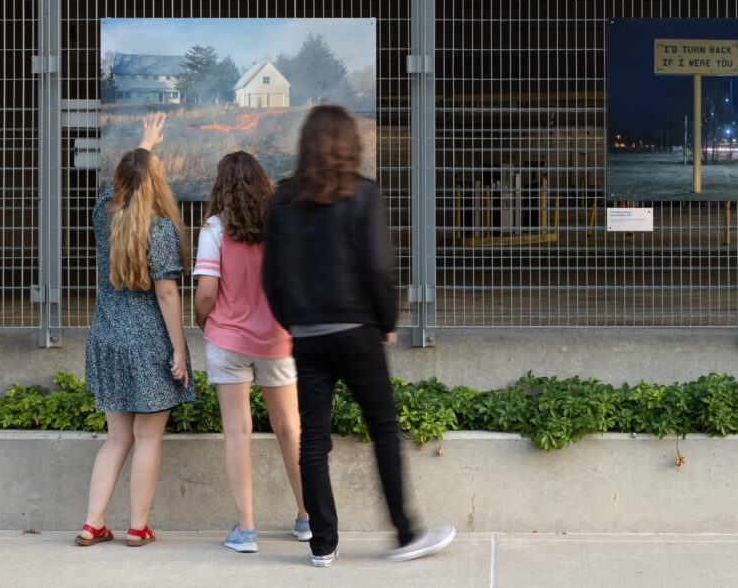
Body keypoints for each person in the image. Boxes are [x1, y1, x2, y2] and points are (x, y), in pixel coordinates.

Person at [262, 105, 455, 567]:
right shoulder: (363, 194)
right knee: (384, 431)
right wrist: (385, 323)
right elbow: (376, 267)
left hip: (307, 335)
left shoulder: (284, 199)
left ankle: (322, 546)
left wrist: (294, 323)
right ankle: (406, 534)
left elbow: (271, 275)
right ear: (351, 144)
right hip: (356, 331)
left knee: (314, 440)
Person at [77, 112, 195, 547]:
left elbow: (115, 190)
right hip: (148, 345)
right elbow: (167, 297)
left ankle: (92, 523)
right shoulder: (160, 231)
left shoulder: (102, 217)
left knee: (116, 438)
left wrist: (143, 146)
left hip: (106, 338)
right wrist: (179, 351)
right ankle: (136, 527)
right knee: (147, 438)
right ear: (155, 185)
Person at [193, 151, 311, 553]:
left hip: (227, 341)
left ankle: (246, 530)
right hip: (276, 340)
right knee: (289, 428)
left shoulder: (214, 228)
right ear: (263, 183)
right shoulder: (282, 224)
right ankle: (307, 517)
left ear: (220, 185)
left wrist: (202, 318)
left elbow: (207, 291)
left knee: (237, 431)